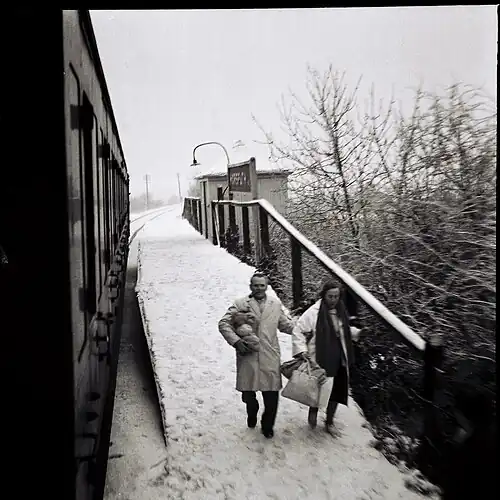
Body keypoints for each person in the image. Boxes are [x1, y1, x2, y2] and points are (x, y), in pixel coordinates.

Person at [218, 272, 295, 438]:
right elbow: (224, 323)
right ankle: (252, 410)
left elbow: (285, 325)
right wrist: (237, 342)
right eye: (256, 285)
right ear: (250, 286)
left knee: (271, 394)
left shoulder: (275, 304)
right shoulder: (240, 304)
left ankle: (268, 426)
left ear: (266, 286)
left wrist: (304, 330)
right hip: (248, 354)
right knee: (248, 393)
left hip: (270, 354)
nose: (259, 288)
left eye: (262, 285)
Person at [292, 280, 362, 435]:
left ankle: (329, 421)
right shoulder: (314, 312)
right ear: (324, 295)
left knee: (337, 390)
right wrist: (302, 350)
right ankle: (313, 411)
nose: (333, 299)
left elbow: (342, 331)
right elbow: (298, 330)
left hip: (340, 357)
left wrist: (356, 333)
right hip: (321, 357)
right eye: (330, 296)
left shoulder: (341, 310)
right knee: (319, 388)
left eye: (336, 296)